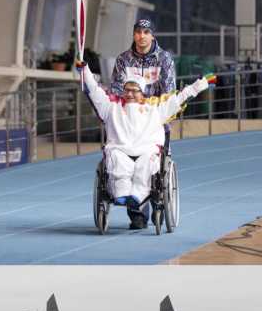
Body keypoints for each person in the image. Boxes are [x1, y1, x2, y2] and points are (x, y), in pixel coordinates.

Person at [79, 62, 211, 230]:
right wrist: (84, 70)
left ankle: (137, 196)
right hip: (120, 149)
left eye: (135, 91)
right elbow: (95, 91)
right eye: (127, 90)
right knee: (117, 161)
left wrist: (199, 85)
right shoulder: (111, 108)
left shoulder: (155, 109)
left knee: (146, 165)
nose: (130, 94)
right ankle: (121, 193)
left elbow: (179, 99)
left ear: (142, 93)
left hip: (146, 151)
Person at [111, 17, 176, 100]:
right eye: (138, 32)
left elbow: (168, 94)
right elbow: (116, 90)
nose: (142, 36)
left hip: (155, 110)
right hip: (129, 108)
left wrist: (150, 108)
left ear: (152, 36)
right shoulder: (123, 59)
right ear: (134, 35)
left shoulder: (164, 59)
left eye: (146, 32)